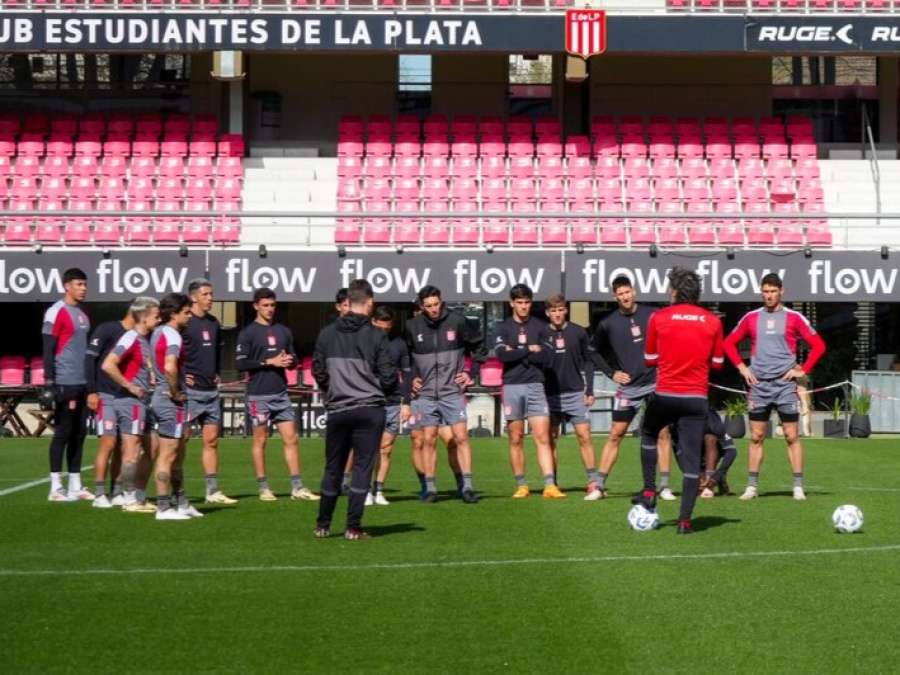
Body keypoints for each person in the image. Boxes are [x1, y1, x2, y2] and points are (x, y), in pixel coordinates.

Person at [632, 267, 724, 534]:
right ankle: (684, 522)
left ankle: (650, 491)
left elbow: (649, 359)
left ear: (673, 291)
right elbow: (717, 363)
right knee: (693, 461)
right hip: (695, 398)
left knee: (649, 433)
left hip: (666, 394)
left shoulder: (659, 318)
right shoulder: (713, 321)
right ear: (698, 293)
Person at [724, 272, 826, 501]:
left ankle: (798, 487)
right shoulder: (751, 318)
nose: (769, 296)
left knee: (792, 436)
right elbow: (728, 343)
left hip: (784, 385)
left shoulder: (794, 317)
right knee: (756, 437)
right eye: (765, 291)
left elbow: (818, 345)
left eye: (773, 291)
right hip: (759, 385)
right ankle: (752, 486)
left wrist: (804, 370)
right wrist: (742, 368)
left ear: (782, 291)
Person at [312, 279, 397, 539]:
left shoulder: (327, 333)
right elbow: (389, 377)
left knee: (333, 467)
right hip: (370, 410)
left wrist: (333, 390)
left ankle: (323, 525)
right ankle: (353, 527)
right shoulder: (376, 335)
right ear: (370, 303)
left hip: (338, 408)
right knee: (362, 468)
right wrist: (381, 389)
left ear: (348, 302)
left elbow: (318, 371)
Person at [589, 275, 675, 501]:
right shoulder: (608, 323)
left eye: (628, 292)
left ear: (634, 291)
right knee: (616, 434)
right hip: (629, 389)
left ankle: (664, 487)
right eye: (620, 294)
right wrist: (612, 373)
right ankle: (598, 487)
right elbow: (592, 351)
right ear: (614, 296)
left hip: (656, 383)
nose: (625, 297)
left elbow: (669, 339)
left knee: (663, 433)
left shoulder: (652, 314)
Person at [404, 285, 487, 504]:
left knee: (460, 438)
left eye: (436, 304)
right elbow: (407, 359)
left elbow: (479, 348)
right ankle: (431, 489)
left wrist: (472, 373)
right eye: (428, 306)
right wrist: (412, 377)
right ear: (421, 307)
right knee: (428, 439)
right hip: (425, 395)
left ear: (442, 301)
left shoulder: (457, 321)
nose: (433, 309)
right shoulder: (412, 326)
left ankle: (467, 487)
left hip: (452, 392)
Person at [235, 287, 318, 502]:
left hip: (281, 393)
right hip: (258, 395)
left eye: (272, 305)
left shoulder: (283, 331)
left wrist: (291, 361)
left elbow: (294, 359)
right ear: (256, 306)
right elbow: (241, 362)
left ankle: (297, 487)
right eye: (265, 305)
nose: (270, 309)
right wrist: (267, 362)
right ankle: (263, 487)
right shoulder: (247, 333)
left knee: (291, 439)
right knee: (260, 440)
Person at [491, 283, 563, 499]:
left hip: (535, 385)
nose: (523, 306)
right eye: (519, 302)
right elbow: (502, 356)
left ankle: (550, 485)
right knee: (516, 437)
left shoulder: (541, 327)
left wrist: (517, 352)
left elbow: (547, 356)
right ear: (512, 303)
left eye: (527, 302)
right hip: (512, 385)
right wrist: (529, 349)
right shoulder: (502, 328)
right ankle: (522, 485)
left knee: (542, 436)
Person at [102, 297, 161, 513]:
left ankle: (138, 494)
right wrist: (130, 386)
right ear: (144, 317)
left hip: (142, 401)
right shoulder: (131, 337)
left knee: (153, 446)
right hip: (130, 402)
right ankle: (127, 498)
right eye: (156, 315)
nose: (159, 319)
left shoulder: (144, 340)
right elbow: (109, 364)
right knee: (132, 449)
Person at [182, 278, 237, 505]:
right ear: (194, 297)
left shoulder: (214, 323)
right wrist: (182, 372)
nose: (210, 298)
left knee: (212, 440)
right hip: (189, 392)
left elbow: (216, 351)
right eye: (205, 294)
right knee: (180, 440)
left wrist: (216, 371)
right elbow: (173, 351)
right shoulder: (184, 322)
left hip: (210, 391)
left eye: (211, 294)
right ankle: (178, 488)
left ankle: (212, 490)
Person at [149, 293, 203, 521]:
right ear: (174, 314)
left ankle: (181, 502)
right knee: (168, 454)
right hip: (169, 401)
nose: (190, 316)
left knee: (178, 453)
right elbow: (170, 367)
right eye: (186, 312)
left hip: (165, 398)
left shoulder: (158, 333)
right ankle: (163, 507)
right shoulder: (172, 335)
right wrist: (175, 392)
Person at [542, 293, 601, 500]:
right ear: (547, 312)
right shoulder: (541, 333)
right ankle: (553, 483)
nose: (557, 314)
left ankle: (593, 482)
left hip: (576, 393)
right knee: (551, 439)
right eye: (553, 311)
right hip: (550, 395)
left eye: (560, 310)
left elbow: (589, 360)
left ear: (565, 310)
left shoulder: (578, 332)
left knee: (585, 437)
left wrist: (590, 389)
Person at [42, 267, 93, 502]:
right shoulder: (55, 312)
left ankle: (75, 484)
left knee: (80, 433)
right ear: (67, 286)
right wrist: (50, 382)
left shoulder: (82, 313)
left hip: (82, 382)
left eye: (84, 284)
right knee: (63, 432)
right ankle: (55, 487)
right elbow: (48, 348)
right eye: (79, 284)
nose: (83, 288)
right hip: (65, 381)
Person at [85, 304, 134, 508]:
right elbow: (90, 359)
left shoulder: (139, 337)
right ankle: (99, 493)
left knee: (124, 446)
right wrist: (91, 390)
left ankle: (116, 490)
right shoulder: (107, 329)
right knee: (108, 443)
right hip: (105, 395)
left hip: (127, 397)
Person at [366, 305, 411, 506]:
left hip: (392, 401)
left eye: (388, 328)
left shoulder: (399, 344)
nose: (384, 332)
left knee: (386, 448)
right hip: (369, 401)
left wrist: (406, 402)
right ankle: (365, 490)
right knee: (368, 449)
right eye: (381, 328)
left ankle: (379, 491)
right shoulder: (364, 342)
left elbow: (407, 374)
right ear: (373, 322)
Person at [669, 406, 737, 499]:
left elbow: (732, 451)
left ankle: (710, 480)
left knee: (710, 438)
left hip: (713, 448)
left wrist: (717, 475)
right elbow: (679, 452)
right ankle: (706, 477)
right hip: (692, 451)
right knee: (697, 484)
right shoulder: (679, 424)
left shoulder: (711, 421)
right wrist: (693, 475)